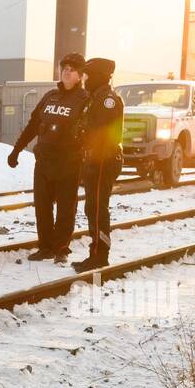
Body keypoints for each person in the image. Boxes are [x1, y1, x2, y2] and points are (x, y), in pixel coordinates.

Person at [8, 53, 89, 262]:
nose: (66, 72)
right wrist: (16, 150)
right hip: (44, 162)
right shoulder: (49, 96)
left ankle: (61, 248)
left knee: (65, 208)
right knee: (42, 207)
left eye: (71, 69)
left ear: (80, 75)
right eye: (64, 68)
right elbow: (33, 125)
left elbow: (91, 134)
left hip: (68, 164)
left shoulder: (84, 100)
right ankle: (45, 247)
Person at [73, 57, 123, 273]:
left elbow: (101, 132)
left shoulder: (107, 100)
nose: (85, 79)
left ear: (99, 76)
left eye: (88, 75)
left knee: (97, 209)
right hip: (96, 159)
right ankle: (95, 252)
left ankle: (100, 256)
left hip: (104, 159)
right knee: (92, 207)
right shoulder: (96, 97)